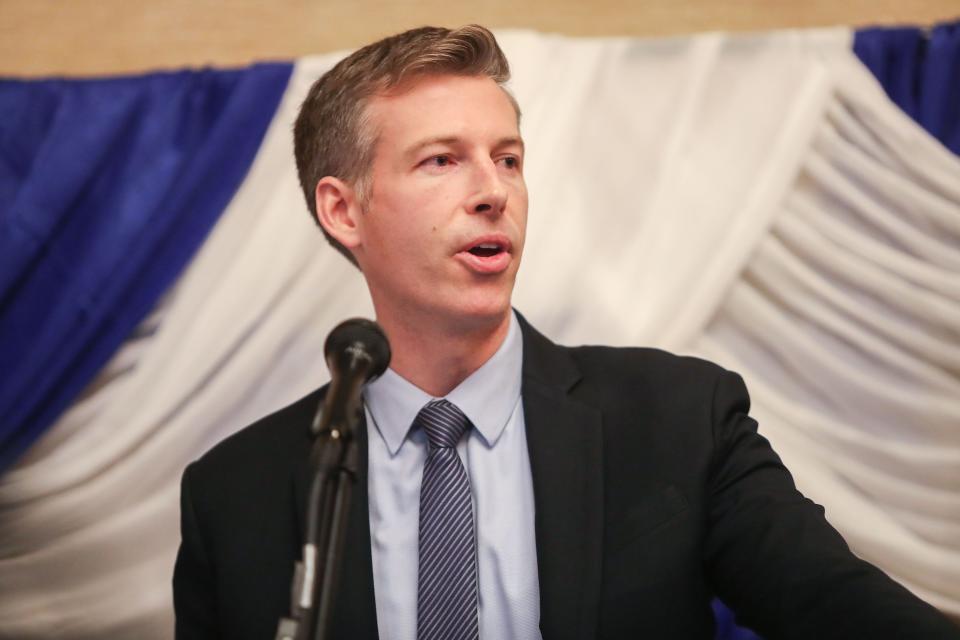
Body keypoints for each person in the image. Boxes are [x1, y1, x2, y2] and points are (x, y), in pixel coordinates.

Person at [172, 25, 960, 640]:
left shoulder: (678, 418)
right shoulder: (234, 494)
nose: (492, 191)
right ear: (344, 211)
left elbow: (842, 610)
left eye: (508, 159)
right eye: (442, 160)